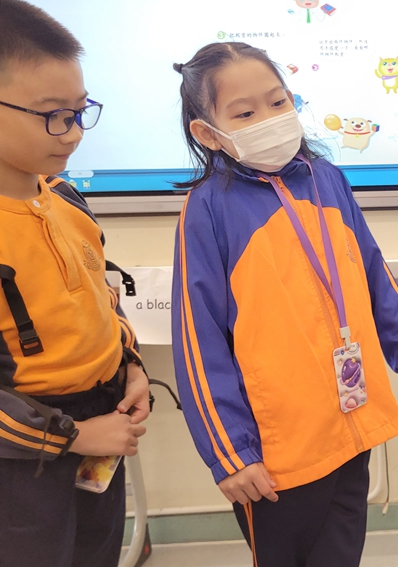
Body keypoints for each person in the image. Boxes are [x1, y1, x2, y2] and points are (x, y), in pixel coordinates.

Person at [170, 42, 398, 567]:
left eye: (277, 102)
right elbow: (198, 342)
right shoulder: (207, 210)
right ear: (208, 133)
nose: (269, 119)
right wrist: (230, 452)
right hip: (276, 453)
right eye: (244, 114)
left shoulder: (327, 179)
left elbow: (372, 270)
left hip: (350, 422)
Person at [0, 1, 150, 566]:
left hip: (102, 427)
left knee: (96, 553)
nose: (74, 132)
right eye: (53, 115)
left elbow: (99, 297)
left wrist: (130, 366)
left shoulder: (65, 197)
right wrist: (73, 437)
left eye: (81, 111)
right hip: (24, 456)